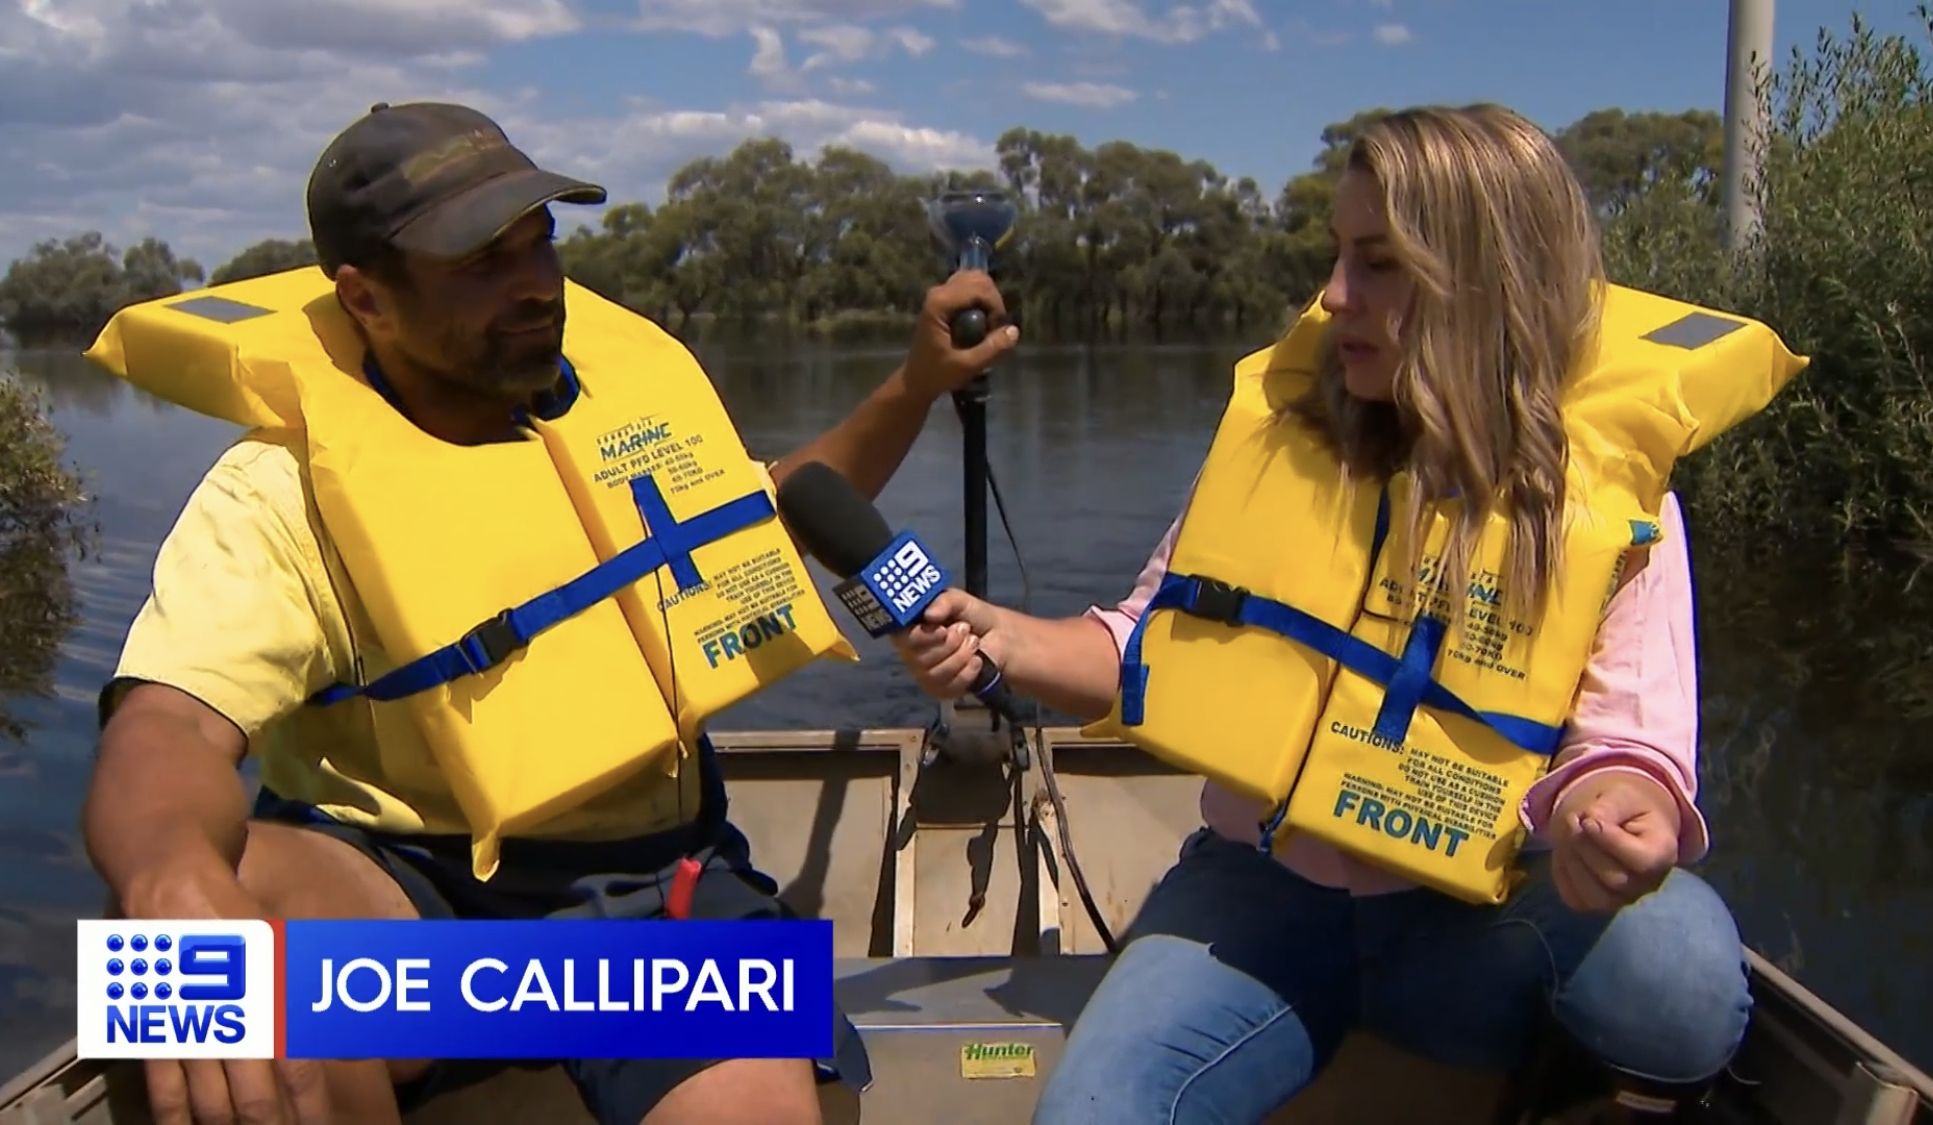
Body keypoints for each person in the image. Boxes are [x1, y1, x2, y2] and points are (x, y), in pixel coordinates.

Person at [80, 102, 1018, 1125]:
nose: (533, 283)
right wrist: (170, 877)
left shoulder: (618, 419)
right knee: (159, 974)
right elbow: (167, 725)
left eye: (540, 243)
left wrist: (917, 383)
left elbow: (769, 511)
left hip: (653, 901)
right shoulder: (280, 491)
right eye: (482, 261)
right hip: (408, 892)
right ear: (366, 298)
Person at [892, 104, 1780, 1123]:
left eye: (1379, 263)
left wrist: (1615, 811)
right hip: (1259, 898)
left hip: (1488, 915)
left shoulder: (1614, 506)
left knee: (1680, 977)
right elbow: (1147, 642)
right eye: (1336, 255)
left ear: (1489, 282)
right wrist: (999, 638)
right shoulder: (1278, 446)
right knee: (1091, 1112)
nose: (1333, 295)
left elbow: (1628, 747)